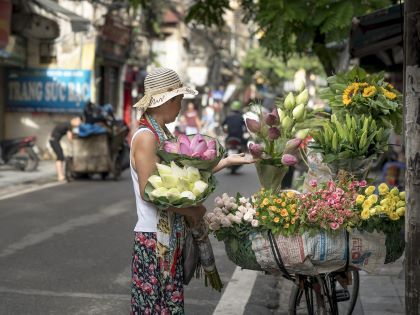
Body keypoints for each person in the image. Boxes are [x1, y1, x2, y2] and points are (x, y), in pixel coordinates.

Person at [130, 68, 254, 314]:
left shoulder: (162, 134)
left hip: (169, 237)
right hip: (155, 240)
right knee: (155, 307)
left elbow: (184, 178)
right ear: (168, 100)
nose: (182, 105)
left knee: (168, 305)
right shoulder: (146, 137)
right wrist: (192, 209)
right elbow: (149, 192)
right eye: (180, 100)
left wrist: (227, 162)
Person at [49, 117, 81, 181]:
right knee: (60, 157)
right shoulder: (69, 125)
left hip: (55, 140)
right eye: (79, 123)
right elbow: (70, 137)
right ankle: (60, 176)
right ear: (74, 120)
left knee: (61, 157)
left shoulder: (67, 124)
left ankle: (61, 175)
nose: (78, 125)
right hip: (54, 141)